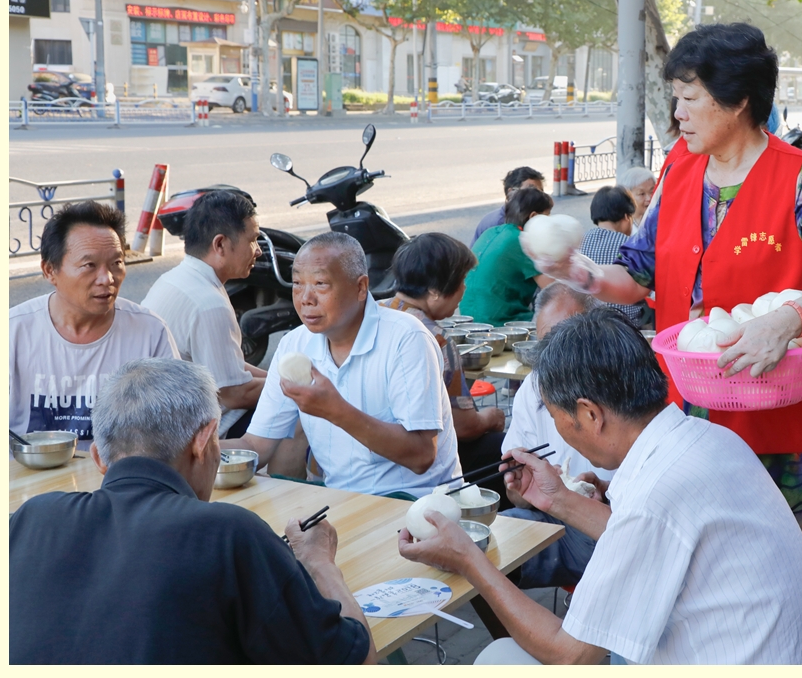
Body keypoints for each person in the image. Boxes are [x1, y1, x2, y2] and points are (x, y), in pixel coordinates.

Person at [523, 23, 802, 555]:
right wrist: (580, 274)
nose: (677, 114)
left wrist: (787, 322)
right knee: (692, 547)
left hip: (775, 402)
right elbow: (638, 274)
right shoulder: (681, 169)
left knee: (779, 550)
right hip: (685, 404)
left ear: (737, 102)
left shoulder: (801, 178)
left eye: (689, 98)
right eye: (675, 99)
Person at [399, 309, 802, 664]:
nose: (557, 429)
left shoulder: (655, 491)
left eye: (556, 416)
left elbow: (572, 655)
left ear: (589, 414)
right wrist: (560, 502)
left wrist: (470, 561)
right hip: (791, 656)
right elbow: (654, 538)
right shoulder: (705, 439)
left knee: (499, 662)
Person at [9, 358, 376, 665]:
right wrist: (318, 562)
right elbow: (360, 666)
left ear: (98, 458)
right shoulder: (228, 534)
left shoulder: (30, 518)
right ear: (205, 441)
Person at [225, 231, 462, 497]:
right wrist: (192, 451)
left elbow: (421, 455)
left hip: (417, 502)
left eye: (321, 283)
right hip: (342, 499)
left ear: (361, 287)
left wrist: (336, 411)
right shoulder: (294, 344)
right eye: (297, 284)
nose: (305, 298)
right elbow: (255, 444)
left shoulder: (407, 338)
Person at [9, 201, 179, 449]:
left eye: (116, 263)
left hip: (118, 481)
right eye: (89, 265)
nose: (107, 279)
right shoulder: (12, 332)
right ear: (49, 270)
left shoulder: (150, 332)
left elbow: (175, 427)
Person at [498, 283, 610, 589]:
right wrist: (525, 489)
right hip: (557, 520)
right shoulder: (533, 388)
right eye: (546, 344)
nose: (555, 357)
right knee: (487, 544)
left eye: (567, 340)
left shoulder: (614, 384)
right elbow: (518, 496)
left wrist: (604, 494)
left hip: (612, 525)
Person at [380, 233, 507, 499]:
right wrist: (491, 417)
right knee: (507, 448)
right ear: (435, 291)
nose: (464, 290)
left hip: (374, 451)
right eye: (461, 281)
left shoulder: (375, 313)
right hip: (413, 468)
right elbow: (464, 427)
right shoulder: (434, 338)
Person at [142, 189, 267, 438]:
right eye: (252, 240)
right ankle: (282, 478)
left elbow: (224, 365)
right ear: (220, 244)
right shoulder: (209, 304)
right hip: (181, 432)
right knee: (296, 414)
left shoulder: (177, 278)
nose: (258, 251)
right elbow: (233, 393)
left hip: (155, 417)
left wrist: (278, 377)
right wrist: (296, 387)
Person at [459, 187, 556, 327]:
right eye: (548, 216)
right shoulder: (524, 241)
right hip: (499, 321)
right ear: (534, 217)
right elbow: (553, 289)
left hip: (468, 317)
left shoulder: (490, 232)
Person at [578, 186, 648, 328]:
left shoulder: (581, 241)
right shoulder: (630, 245)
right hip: (625, 324)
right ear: (627, 217)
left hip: (587, 321)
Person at [470, 166, 546, 246]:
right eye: (532, 192)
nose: (539, 197)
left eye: (541, 192)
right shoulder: (500, 225)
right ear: (511, 194)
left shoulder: (524, 218)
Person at [617, 166, 657, 232]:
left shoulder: (661, 219)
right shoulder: (620, 227)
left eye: (652, 192)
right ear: (627, 196)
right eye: (642, 193)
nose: (649, 198)